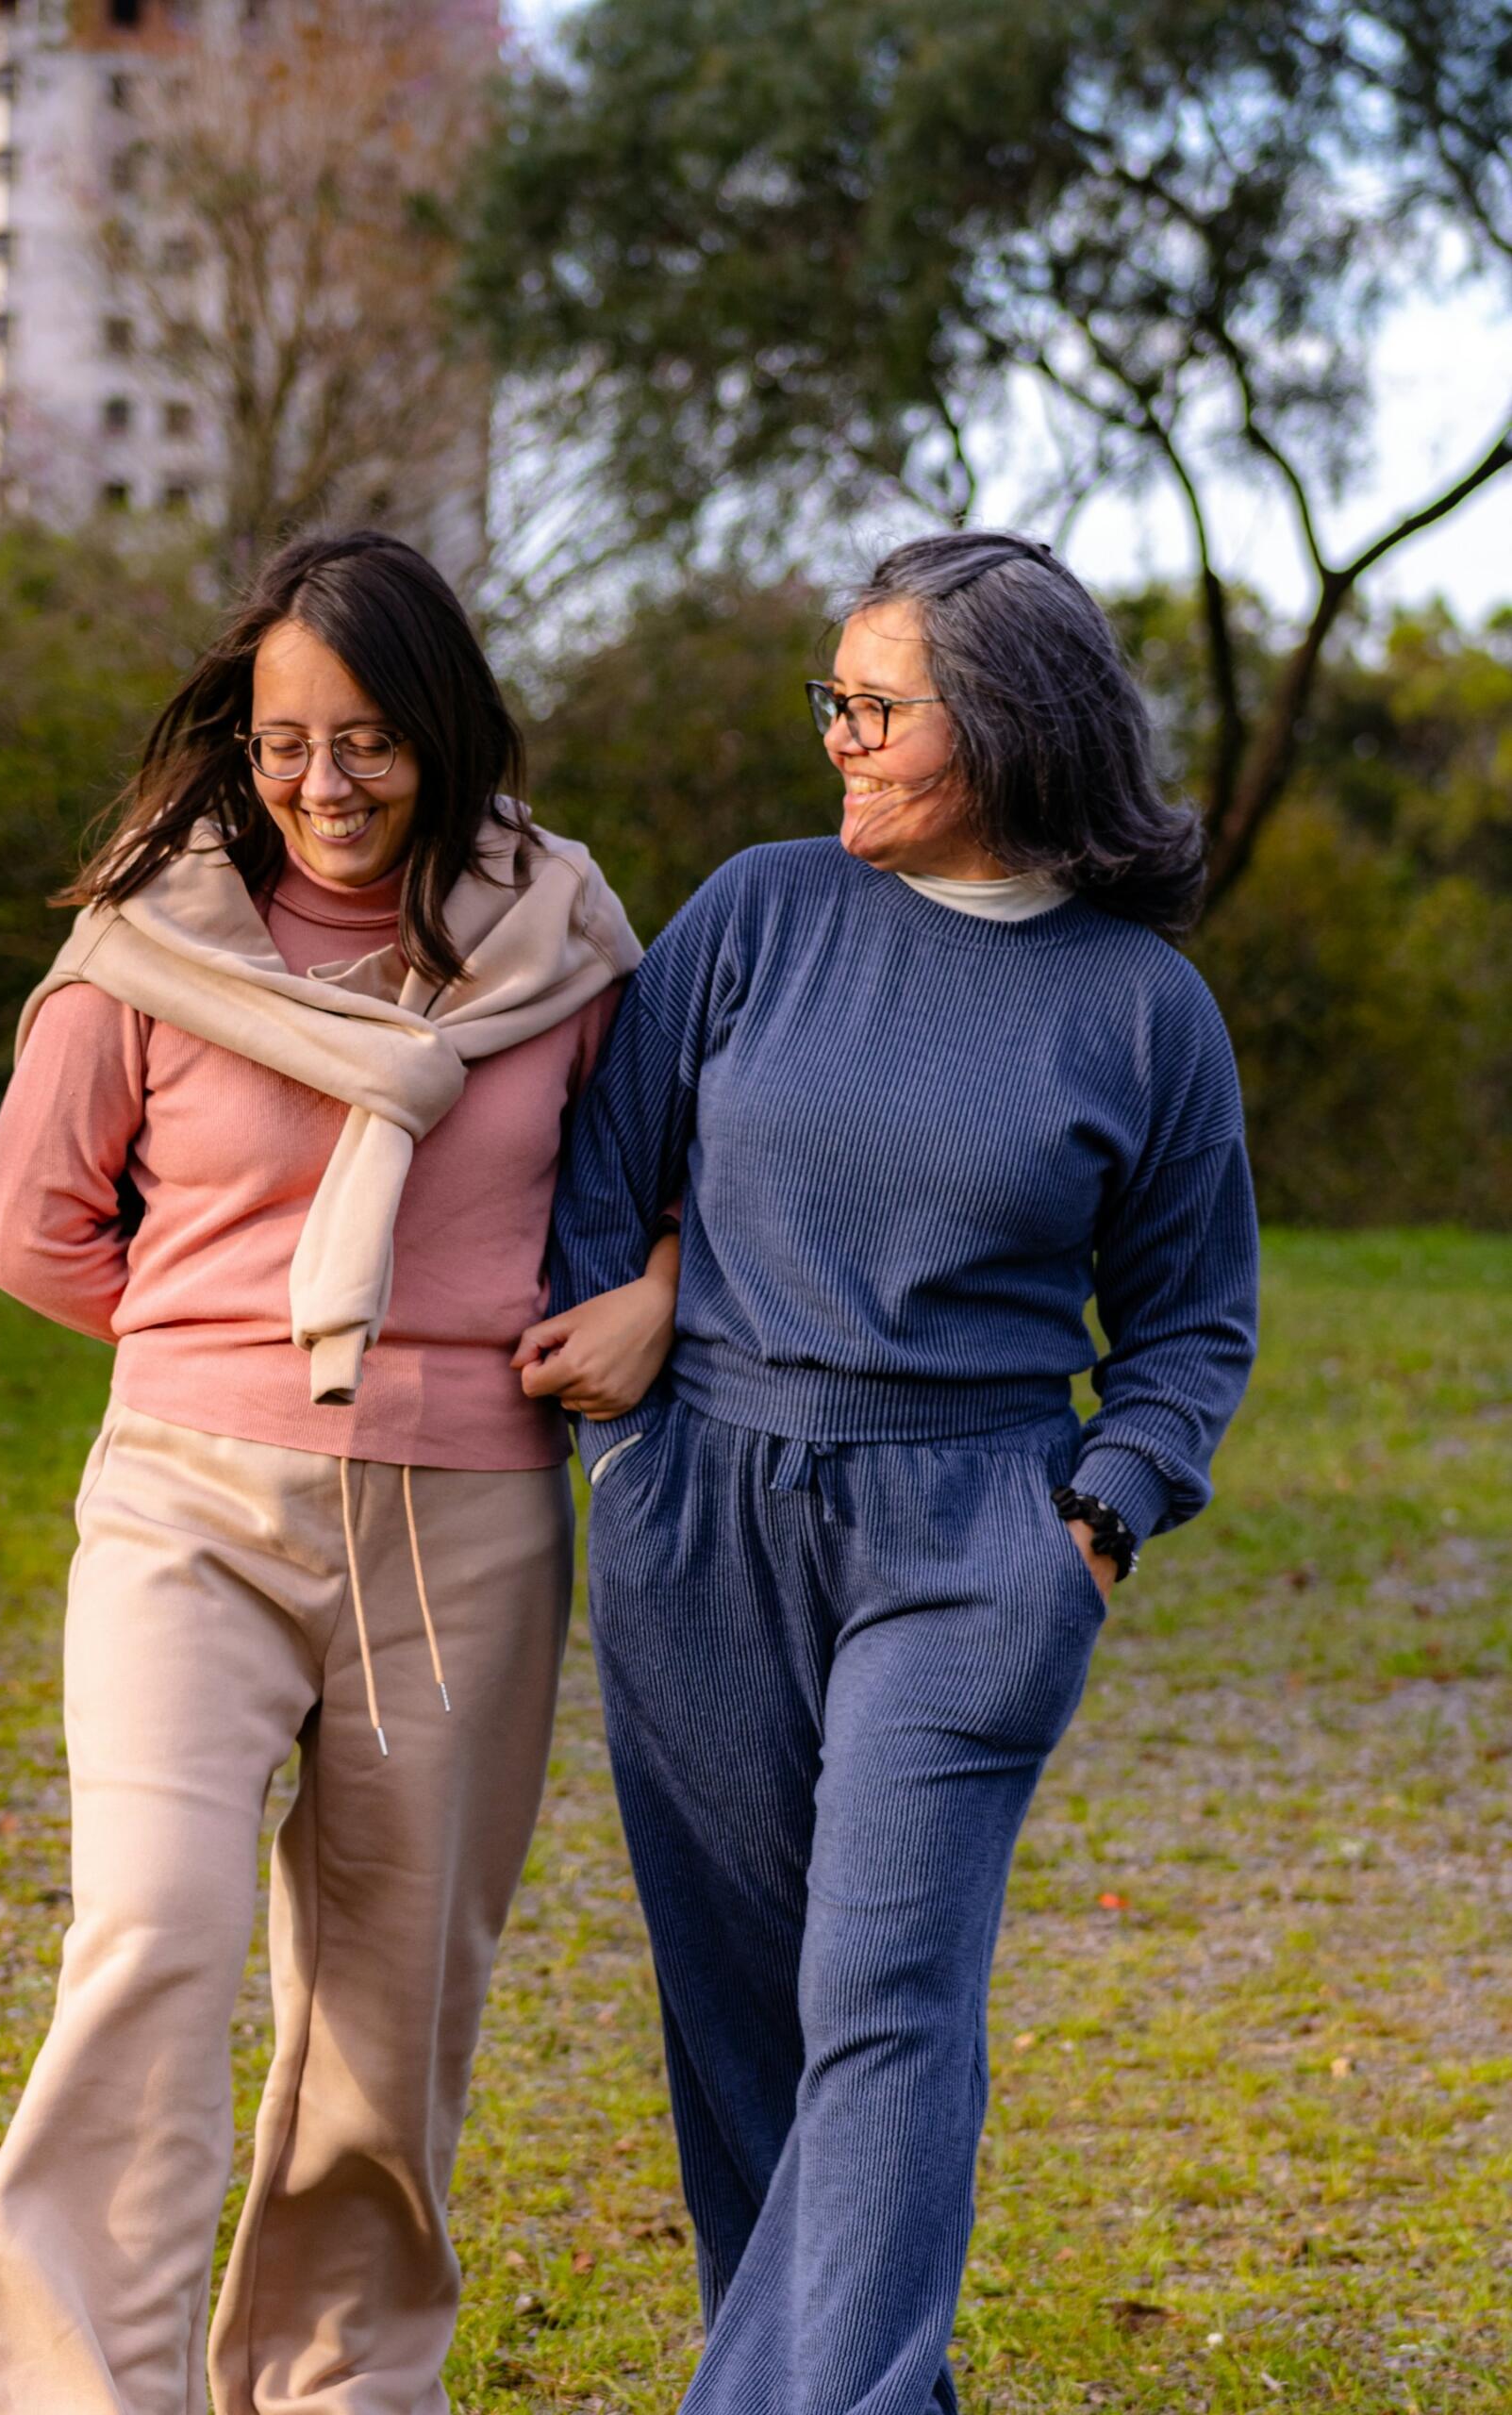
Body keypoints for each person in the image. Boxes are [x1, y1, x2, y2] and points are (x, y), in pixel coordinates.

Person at [520, 531, 1259, 2414]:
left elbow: (1186, 1321)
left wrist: (1101, 1509)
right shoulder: (758, 912)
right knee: (742, 2017)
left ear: (998, 727)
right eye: (827, 701)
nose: (834, 737)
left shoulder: (1138, 1008)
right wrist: (627, 1430)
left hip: (969, 1538)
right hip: (700, 1518)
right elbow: (606, 1169)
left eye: (871, 706)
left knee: (881, 1997)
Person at [0, 528, 668, 2415]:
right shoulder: (153, 935)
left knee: (391, 2005)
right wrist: (228, 1352)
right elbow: (32, 1228)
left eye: (365, 741)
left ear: (445, 730)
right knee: (154, 1930)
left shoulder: (564, 940)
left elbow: (681, 1183)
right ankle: (71, 2386)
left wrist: (652, 1295)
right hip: (192, 1498)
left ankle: (341, 2377)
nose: (320, 786)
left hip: (470, 1521)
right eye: (281, 745)